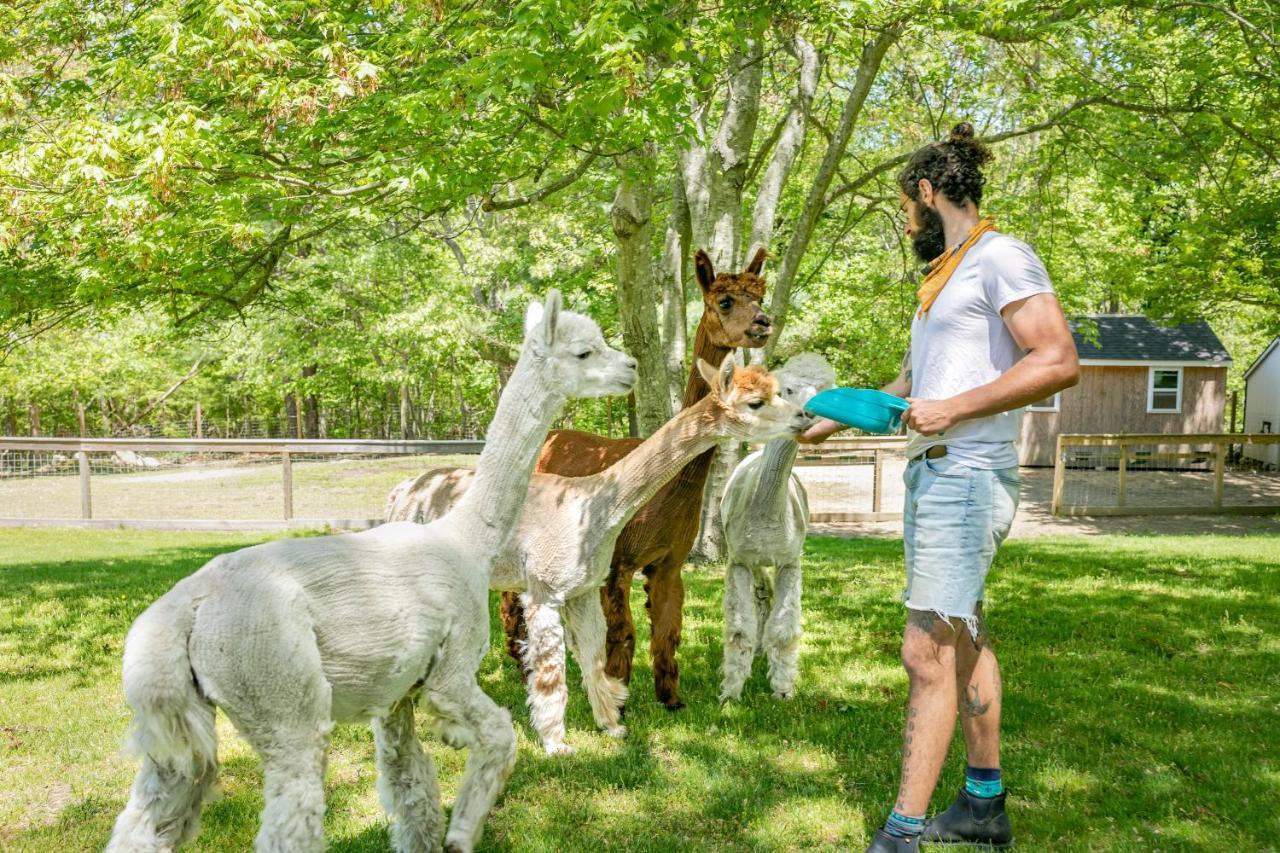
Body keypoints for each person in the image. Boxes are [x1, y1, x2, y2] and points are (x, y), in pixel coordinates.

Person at [800, 122, 1079, 851]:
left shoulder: (1000, 257)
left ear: (928, 193)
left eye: (906, 207)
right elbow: (914, 381)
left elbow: (1056, 358)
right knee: (961, 635)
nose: (905, 222)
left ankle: (902, 832)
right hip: (935, 470)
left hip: (968, 472)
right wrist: (824, 419)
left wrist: (951, 409)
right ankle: (983, 804)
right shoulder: (947, 275)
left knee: (924, 650)